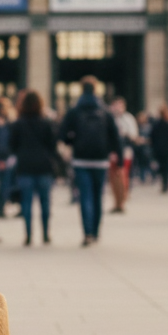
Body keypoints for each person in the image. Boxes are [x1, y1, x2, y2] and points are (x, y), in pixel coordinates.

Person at [59, 77, 120, 246]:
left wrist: (73, 142)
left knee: (85, 196)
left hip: (81, 160)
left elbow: (62, 135)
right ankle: (96, 231)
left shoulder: (74, 111)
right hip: (101, 160)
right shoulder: (105, 111)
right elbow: (115, 136)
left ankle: (87, 233)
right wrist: (118, 157)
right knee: (98, 197)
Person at [9, 90, 58, 246]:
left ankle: (28, 235)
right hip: (44, 166)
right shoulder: (46, 123)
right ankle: (45, 234)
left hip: (25, 166)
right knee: (45, 202)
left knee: (27, 202)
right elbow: (52, 145)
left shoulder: (18, 123)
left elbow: (12, 145)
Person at [109, 97, 137, 213]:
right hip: (113, 152)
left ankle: (122, 201)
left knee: (123, 176)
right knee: (113, 178)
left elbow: (134, 135)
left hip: (125, 150)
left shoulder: (128, 118)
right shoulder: (110, 118)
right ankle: (117, 201)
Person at [150, 104, 168, 193]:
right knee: (166, 168)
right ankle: (165, 184)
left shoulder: (157, 124)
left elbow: (152, 137)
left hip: (160, 150)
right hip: (166, 150)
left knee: (163, 168)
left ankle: (164, 185)